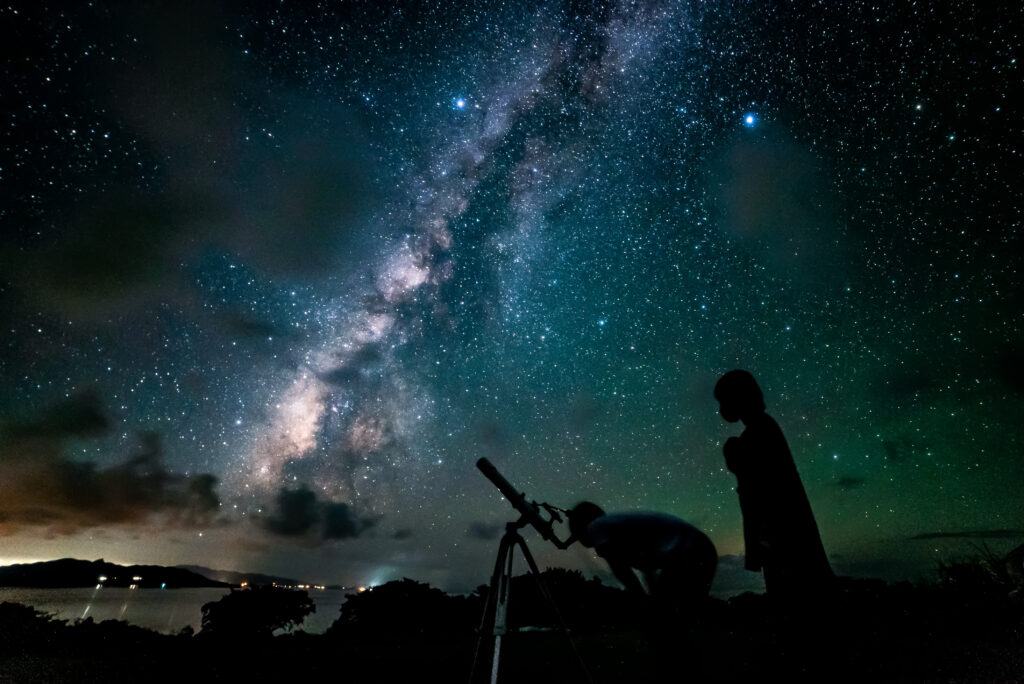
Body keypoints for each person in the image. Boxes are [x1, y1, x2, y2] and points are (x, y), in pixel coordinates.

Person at [714, 369, 833, 596]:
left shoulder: (759, 431)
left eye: (724, 399)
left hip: (782, 535)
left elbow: (757, 485)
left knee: (795, 597)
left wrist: (735, 453)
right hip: (780, 534)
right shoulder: (761, 428)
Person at [567, 501, 717, 612]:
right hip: (701, 548)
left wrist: (640, 600)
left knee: (671, 616)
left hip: (690, 551)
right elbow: (648, 572)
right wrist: (650, 601)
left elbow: (619, 567)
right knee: (683, 614)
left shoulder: (596, 525)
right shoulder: (629, 539)